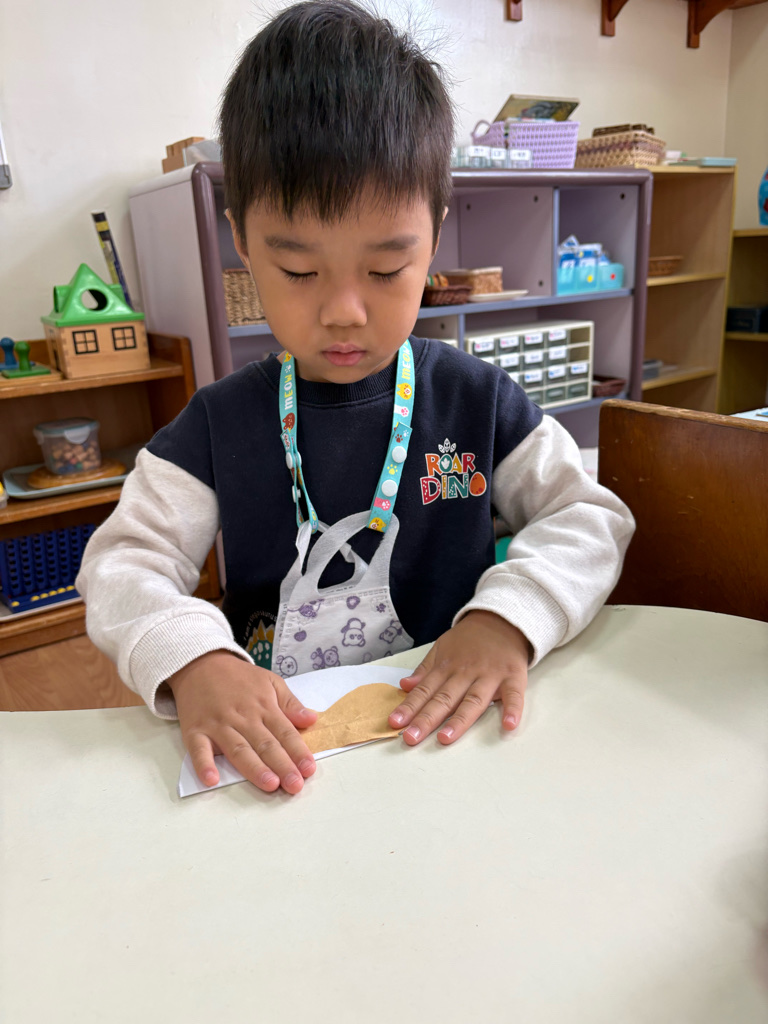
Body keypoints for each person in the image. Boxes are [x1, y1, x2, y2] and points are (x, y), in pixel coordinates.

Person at [76, 0, 634, 798]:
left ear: (433, 238)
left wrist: (505, 619)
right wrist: (194, 658)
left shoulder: (476, 401)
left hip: (449, 745)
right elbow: (123, 561)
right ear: (242, 242)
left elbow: (588, 516)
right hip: (284, 763)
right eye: (299, 271)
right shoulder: (219, 423)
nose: (344, 311)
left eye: (385, 269)